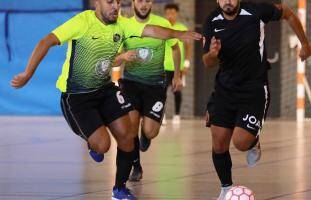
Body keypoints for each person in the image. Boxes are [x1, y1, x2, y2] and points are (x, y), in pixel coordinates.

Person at [11, 0, 201, 199]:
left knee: (127, 135)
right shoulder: (82, 22)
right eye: (110, 2)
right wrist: (27, 73)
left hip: (105, 90)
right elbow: (46, 41)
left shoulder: (122, 24)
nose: (115, 6)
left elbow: (151, 30)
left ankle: (119, 189)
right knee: (102, 146)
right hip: (77, 96)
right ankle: (92, 140)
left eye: (118, 2)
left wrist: (178, 34)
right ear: (97, 3)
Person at [202, 0, 311, 199]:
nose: (228, 1)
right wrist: (212, 53)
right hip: (224, 89)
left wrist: (304, 43)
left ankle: (253, 141)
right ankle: (226, 188)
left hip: (254, 89)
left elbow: (288, 14)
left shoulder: (258, 10)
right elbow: (207, 62)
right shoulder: (211, 21)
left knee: (241, 143)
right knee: (219, 143)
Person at [116, 0, 183, 182]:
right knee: (130, 128)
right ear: (133, 3)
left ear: (152, 2)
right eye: (140, 0)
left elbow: (176, 49)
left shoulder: (162, 23)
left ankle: (146, 134)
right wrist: (122, 57)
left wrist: (177, 76)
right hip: (131, 83)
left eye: (147, 0)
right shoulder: (124, 25)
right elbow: (114, 57)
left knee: (150, 131)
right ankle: (136, 166)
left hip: (155, 85)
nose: (143, 4)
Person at [164, 3, 192, 124]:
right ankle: (162, 116)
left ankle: (176, 115)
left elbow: (188, 47)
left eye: (173, 12)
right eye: (168, 12)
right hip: (163, 67)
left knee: (177, 92)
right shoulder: (161, 28)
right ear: (165, 13)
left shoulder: (182, 28)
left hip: (177, 68)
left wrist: (186, 64)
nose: (170, 15)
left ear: (177, 13)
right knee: (161, 92)